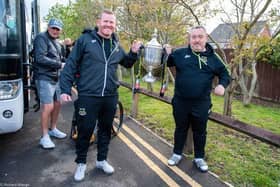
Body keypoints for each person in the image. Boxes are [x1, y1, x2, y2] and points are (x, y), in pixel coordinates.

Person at [60, 9, 142, 181]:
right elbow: (71, 64)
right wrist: (65, 89)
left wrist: (134, 52)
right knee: (85, 130)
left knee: (106, 130)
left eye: (111, 22)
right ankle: (81, 163)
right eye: (106, 21)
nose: (108, 25)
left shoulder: (116, 45)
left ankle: (101, 160)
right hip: (88, 96)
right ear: (99, 22)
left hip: (110, 96)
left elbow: (126, 63)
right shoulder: (84, 40)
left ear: (114, 25)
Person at [166, 26, 231, 172]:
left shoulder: (213, 58)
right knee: (180, 128)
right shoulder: (180, 54)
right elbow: (168, 62)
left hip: (201, 103)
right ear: (189, 39)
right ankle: (177, 154)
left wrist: (222, 85)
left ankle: (199, 158)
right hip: (180, 102)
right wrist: (168, 53)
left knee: (200, 131)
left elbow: (226, 74)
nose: (196, 40)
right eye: (193, 37)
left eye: (200, 37)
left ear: (205, 38)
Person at [33, 18, 67, 149]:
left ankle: (53, 129)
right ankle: (44, 136)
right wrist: (60, 64)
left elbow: (61, 59)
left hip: (56, 78)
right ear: (48, 27)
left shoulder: (58, 43)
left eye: (57, 29)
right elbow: (40, 58)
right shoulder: (41, 38)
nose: (55, 30)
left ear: (60, 31)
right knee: (48, 106)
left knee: (58, 104)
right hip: (44, 77)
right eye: (53, 28)